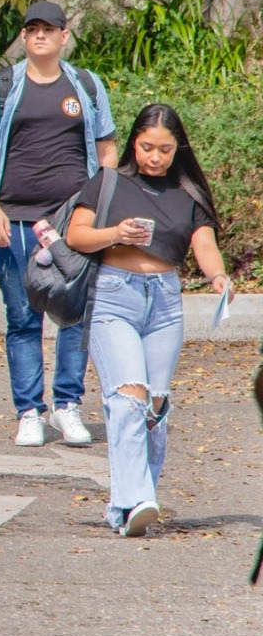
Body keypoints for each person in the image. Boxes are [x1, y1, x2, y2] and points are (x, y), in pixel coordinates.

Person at [63, 104, 225, 538]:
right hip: (115, 296)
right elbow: (76, 235)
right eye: (147, 147)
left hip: (166, 304)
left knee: (155, 404)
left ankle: (132, 505)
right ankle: (136, 499)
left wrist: (218, 275)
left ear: (179, 149)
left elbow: (203, 242)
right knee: (128, 396)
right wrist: (116, 233)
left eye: (165, 150)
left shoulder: (187, 193)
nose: (155, 157)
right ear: (134, 142)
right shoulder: (110, 182)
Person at [0, 0, 117, 447]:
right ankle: (29, 411)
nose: (39, 36)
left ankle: (67, 406)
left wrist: (101, 204)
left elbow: (108, 148)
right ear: (24, 36)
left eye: (48, 29)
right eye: (31, 29)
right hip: (13, 217)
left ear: (63, 36)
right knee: (23, 315)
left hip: (73, 220)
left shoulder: (87, 86)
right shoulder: (1, 86)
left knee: (74, 313)